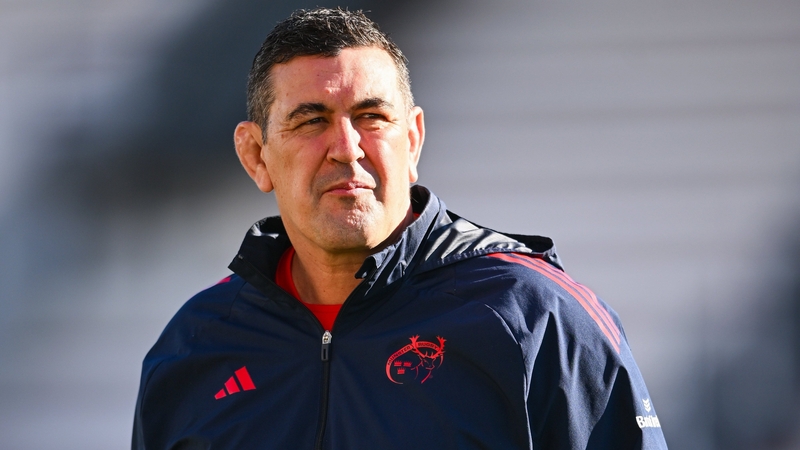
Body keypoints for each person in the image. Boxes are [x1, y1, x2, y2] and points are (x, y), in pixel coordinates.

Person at [133, 7, 668, 449]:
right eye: (311, 120)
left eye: (371, 117)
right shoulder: (193, 347)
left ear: (412, 139)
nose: (347, 148)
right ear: (256, 156)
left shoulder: (535, 317)